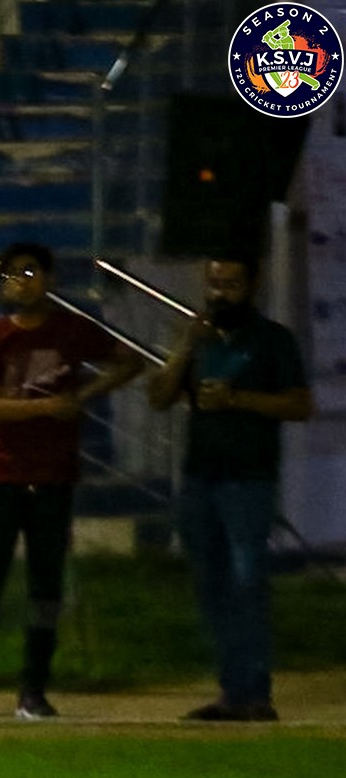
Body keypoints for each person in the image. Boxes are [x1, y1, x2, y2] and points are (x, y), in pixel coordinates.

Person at [0, 242, 143, 723]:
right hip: (2, 477)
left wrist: (85, 393)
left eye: (30, 272)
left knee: (46, 586)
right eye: (12, 275)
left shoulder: (71, 330)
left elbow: (131, 361)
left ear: (50, 278)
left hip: (52, 477)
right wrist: (48, 406)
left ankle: (33, 689)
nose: (21, 282)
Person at [147, 253, 313, 721]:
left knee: (247, 582)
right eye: (214, 284)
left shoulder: (273, 340)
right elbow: (160, 396)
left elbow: (299, 405)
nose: (220, 294)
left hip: (248, 480)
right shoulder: (200, 340)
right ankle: (231, 689)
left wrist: (237, 399)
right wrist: (185, 345)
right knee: (211, 585)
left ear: (252, 285)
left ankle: (255, 691)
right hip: (201, 477)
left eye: (231, 284)